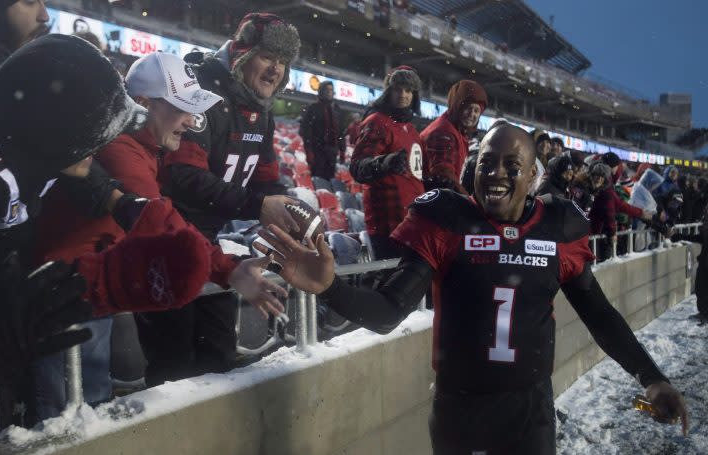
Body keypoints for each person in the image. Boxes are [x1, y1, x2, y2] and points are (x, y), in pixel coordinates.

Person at [256, 123, 688, 454]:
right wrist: (329, 287)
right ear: (472, 166)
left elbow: (599, 313)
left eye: (511, 165)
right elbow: (389, 311)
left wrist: (651, 377)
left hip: (530, 410)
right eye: (487, 162)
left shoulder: (559, 226)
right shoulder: (446, 218)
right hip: (461, 409)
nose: (497, 173)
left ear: (532, 177)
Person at [0, 35, 216, 447]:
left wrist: (124, 204)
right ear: (52, 138)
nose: (101, 147)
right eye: (93, 136)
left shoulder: (13, 122)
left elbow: (77, 169)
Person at [30, 52, 288, 418]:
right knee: (64, 423)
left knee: (82, 417)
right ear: (142, 104)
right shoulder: (121, 149)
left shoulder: (141, 149)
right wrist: (228, 268)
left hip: (77, 295)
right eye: (181, 109)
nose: (189, 122)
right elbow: (162, 226)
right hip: (62, 299)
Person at [140, 13, 302, 383]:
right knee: (174, 370)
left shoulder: (260, 112)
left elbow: (265, 178)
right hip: (164, 240)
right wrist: (257, 206)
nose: (275, 69)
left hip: (207, 243)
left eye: (283, 62)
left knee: (218, 357)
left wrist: (288, 212)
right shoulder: (203, 94)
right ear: (244, 55)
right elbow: (182, 176)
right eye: (267, 57)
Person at [350, 66, 425, 259]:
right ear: (388, 91)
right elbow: (357, 167)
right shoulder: (376, 121)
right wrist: (385, 163)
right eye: (397, 89)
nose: (403, 95)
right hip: (387, 222)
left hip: (412, 219)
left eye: (408, 90)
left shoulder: (412, 129)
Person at [420, 80, 487, 194]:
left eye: (476, 110)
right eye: (468, 108)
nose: (472, 114)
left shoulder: (457, 130)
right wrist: (467, 200)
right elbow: (444, 177)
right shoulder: (443, 132)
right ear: (457, 107)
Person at [588, 163, 652, 260]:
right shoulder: (593, 189)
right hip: (591, 236)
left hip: (598, 237)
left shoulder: (607, 193)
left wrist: (641, 213)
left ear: (606, 178)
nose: (598, 179)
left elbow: (615, 210)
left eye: (601, 176)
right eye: (596, 176)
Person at [300, 80, 346, 179]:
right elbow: (305, 131)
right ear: (321, 91)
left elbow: (341, 132)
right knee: (318, 178)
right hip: (318, 150)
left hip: (332, 151)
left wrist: (342, 151)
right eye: (327, 90)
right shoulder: (313, 108)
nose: (330, 92)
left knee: (330, 178)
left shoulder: (337, 109)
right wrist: (309, 151)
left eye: (331, 90)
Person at [669, 204, 708, 320]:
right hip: (704, 262)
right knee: (700, 288)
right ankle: (704, 312)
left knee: (702, 287)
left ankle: (705, 312)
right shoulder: (705, 225)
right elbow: (700, 238)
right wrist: (681, 236)